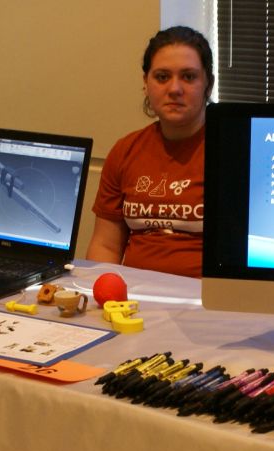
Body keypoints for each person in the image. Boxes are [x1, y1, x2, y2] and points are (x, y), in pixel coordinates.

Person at [86, 26, 212, 278]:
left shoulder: (233, 154)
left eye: (188, 77)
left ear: (208, 84)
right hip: (133, 301)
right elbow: (106, 246)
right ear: (146, 83)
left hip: (208, 302)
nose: (175, 88)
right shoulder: (125, 151)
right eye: (162, 77)